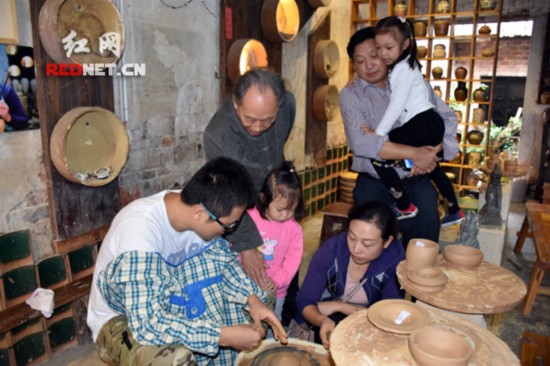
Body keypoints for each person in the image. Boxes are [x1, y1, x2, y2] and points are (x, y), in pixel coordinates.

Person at [87, 157, 287, 366]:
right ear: (200, 214)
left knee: (261, 298)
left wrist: (253, 301)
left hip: (175, 293)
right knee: (173, 360)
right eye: (228, 226)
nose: (229, 231)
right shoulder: (139, 234)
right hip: (126, 316)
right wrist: (222, 335)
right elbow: (149, 324)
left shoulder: (197, 207)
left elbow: (224, 266)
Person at [339, 26, 460, 245]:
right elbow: (363, 144)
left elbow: (449, 119)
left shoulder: (415, 83)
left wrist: (433, 153)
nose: (369, 65)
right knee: (370, 249)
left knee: (423, 248)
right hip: (375, 184)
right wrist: (416, 153)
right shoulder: (351, 94)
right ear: (354, 65)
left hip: (416, 181)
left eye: (374, 55)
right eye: (360, 60)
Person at [204, 68, 299, 325]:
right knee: (254, 270)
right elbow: (226, 195)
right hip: (241, 204)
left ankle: (290, 317)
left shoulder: (287, 103)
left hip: (273, 192)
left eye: (267, 120)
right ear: (236, 103)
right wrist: (246, 244)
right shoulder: (218, 135)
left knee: (286, 249)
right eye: (250, 119)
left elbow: (282, 135)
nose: (258, 127)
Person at [362, 16, 464, 226]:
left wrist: (379, 133)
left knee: (378, 154)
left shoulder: (402, 70)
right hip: (428, 123)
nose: (382, 53)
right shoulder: (408, 66)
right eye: (379, 47)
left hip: (421, 123)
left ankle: (404, 205)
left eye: (389, 47)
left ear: (405, 44)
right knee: (431, 165)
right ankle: (454, 209)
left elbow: (397, 105)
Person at [296, 201, 405, 348]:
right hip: (326, 319)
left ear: (387, 242)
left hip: (369, 327)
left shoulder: (395, 263)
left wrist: (340, 306)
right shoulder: (331, 250)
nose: (356, 249)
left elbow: (390, 315)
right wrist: (322, 320)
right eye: (352, 238)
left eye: (367, 244)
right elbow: (305, 300)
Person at [246, 161, 305, 324]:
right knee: (245, 326)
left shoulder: (294, 230)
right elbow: (236, 247)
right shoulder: (249, 217)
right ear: (264, 198)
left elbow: (292, 263)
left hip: (276, 291)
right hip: (245, 288)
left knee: (272, 325)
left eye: (291, 209)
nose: (285, 215)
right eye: (280, 209)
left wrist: (277, 281)